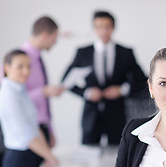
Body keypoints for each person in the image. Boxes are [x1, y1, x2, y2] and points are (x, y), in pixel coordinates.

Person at [62, 10, 147, 146]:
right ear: (94, 29)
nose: (103, 31)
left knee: (117, 156)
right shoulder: (83, 53)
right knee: (87, 156)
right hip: (91, 116)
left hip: (117, 115)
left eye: (107, 27)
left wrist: (122, 90)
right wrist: (87, 93)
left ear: (113, 28)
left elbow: (143, 81)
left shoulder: (125, 53)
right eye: (99, 27)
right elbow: (66, 82)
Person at [22, 16, 64, 147]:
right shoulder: (18, 61)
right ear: (45, 35)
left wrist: (50, 129)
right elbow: (15, 98)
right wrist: (43, 92)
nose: (55, 42)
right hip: (29, 129)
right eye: (55, 37)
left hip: (43, 127)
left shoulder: (38, 59)